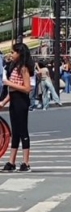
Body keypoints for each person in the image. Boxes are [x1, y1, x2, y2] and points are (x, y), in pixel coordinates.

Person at [0, 43, 34, 171]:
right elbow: (12, 89)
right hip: (14, 100)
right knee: (15, 132)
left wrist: (9, 83)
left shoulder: (24, 68)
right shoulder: (15, 67)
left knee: (22, 130)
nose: (11, 55)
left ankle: (26, 162)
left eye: (13, 52)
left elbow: (27, 88)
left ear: (20, 54)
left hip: (21, 101)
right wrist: (4, 102)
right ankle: (11, 161)